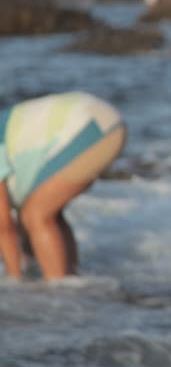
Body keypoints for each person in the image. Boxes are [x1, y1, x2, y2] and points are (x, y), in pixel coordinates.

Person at [0, 93, 126, 281]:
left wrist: (14, 279)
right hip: (101, 120)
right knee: (46, 214)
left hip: (92, 126)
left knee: (36, 215)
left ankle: (58, 289)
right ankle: (71, 280)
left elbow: (4, 227)